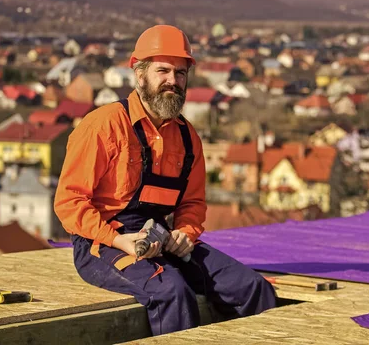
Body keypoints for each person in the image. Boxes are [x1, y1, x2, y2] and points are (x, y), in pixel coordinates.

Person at [54, 25, 276, 336]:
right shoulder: (103, 126)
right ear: (140, 74)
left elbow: (193, 202)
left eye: (180, 72)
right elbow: (69, 202)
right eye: (163, 71)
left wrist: (185, 231)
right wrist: (119, 241)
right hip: (102, 243)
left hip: (161, 238)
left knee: (252, 288)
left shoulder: (187, 138)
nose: (173, 80)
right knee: (172, 292)